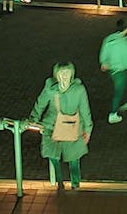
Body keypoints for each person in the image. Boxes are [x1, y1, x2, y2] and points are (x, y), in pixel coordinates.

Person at [28, 62, 93, 191]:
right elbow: (40, 104)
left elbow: (85, 110)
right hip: (51, 126)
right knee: (52, 155)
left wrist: (88, 129)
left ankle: (75, 184)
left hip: (73, 128)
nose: (64, 76)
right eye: (61, 73)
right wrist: (33, 120)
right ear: (56, 74)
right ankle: (60, 183)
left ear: (72, 74)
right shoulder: (50, 89)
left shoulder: (79, 90)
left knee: (74, 158)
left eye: (67, 72)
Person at [99, 19, 127, 124]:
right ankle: (113, 114)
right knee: (118, 92)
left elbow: (103, 54)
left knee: (118, 88)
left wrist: (103, 62)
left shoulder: (108, 39)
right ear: (126, 29)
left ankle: (126, 100)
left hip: (111, 70)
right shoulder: (126, 42)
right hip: (120, 71)